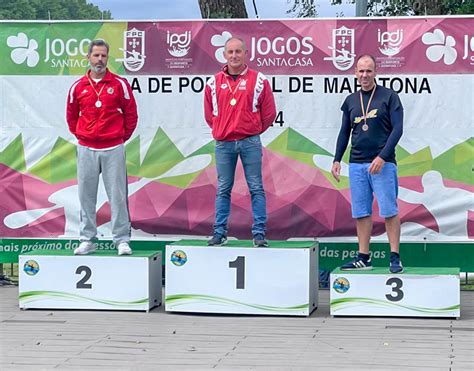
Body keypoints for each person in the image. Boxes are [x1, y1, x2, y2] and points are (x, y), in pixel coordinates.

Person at [331, 54, 404, 273]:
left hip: (383, 163)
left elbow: (398, 129)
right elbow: (344, 132)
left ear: (375, 72)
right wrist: (336, 159)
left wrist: (382, 157)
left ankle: (394, 257)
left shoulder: (389, 97)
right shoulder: (350, 100)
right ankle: (364, 257)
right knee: (361, 212)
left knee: (389, 210)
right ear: (355, 73)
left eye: (369, 71)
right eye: (361, 71)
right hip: (357, 164)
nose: (364, 75)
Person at [66, 39, 138, 255]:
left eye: (103, 56)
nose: (99, 59)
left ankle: (122, 240)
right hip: (86, 148)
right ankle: (87, 238)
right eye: (96, 55)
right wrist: (82, 135)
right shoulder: (78, 87)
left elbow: (131, 115)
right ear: (88, 57)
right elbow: (71, 117)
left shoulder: (119, 85)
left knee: (117, 196)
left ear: (108, 58)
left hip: (113, 147)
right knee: (86, 195)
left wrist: (118, 138)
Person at [204, 37, 276, 247]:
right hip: (224, 143)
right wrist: (223, 129)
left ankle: (259, 233)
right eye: (230, 52)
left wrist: (251, 130)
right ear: (224, 55)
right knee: (223, 188)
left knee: (256, 187)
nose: (234, 56)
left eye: (238, 51)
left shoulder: (259, 80)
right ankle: (219, 232)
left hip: (250, 142)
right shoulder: (213, 82)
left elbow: (269, 113)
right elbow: (210, 116)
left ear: (246, 54)